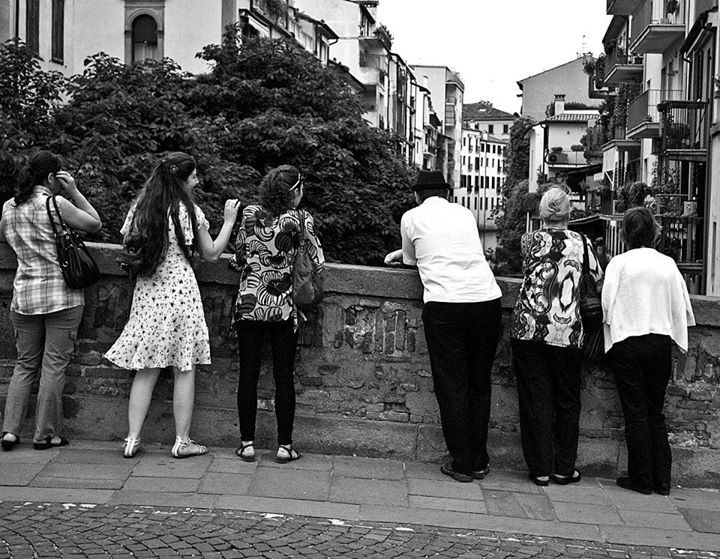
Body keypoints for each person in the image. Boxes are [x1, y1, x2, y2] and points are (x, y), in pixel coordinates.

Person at [105, 152, 240, 459]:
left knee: (146, 368)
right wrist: (229, 221)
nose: (197, 181)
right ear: (181, 179)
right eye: (193, 176)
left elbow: (128, 245)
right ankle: (182, 441)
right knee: (184, 366)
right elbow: (212, 253)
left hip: (148, 293)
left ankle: (132, 439)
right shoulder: (188, 211)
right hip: (181, 295)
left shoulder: (141, 208)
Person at [384, 170, 502, 483]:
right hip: (486, 299)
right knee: (479, 383)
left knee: (452, 384)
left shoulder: (411, 218)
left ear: (416, 195)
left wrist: (398, 254)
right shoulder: (464, 213)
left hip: (445, 303)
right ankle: (479, 460)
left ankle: (461, 462)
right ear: (447, 193)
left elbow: (412, 260)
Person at [0, 151, 102, 451]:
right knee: (54, 365)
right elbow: (94, 223)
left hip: (24, 297)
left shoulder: (9, 207)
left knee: (24, 365)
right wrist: (74, 190)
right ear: (50, 177)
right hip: (62, 297)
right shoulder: (55, 203)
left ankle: (9, 431)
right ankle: (44, 434)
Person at [509, 187, 603, 486]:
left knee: (534, 399)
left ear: (541, 213)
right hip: (567, 331)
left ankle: (539, 468)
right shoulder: (583, 243)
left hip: (529, 327)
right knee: (567, 400)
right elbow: (597, 278)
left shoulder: (529, 240)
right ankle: (563, 467)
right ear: (568, 213)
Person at [230, 165, 324, 464]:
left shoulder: (249, 214)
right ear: (295, 191)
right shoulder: (301, 219)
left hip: (249, 302)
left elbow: (239, 256)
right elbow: (318, 261)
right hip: (283, 306)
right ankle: (285, 446)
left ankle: (247, 444)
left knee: (248, 373)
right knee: (283, 376)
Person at [602, 207, 695, 495]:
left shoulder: (619, 263)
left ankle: (641, 478)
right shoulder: (667, 264)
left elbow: (606, 304)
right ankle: (663, 480)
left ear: (625, 233)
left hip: (628, 341)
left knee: (635, 411)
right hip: (659, 341)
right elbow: (682, 305)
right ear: (654, 232)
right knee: (656, 410)